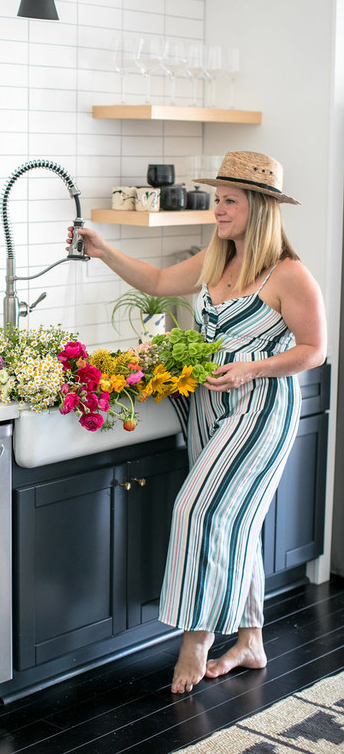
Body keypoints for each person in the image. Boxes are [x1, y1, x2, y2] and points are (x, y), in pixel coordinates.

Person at [67, 150, 327, 695]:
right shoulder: (217, 259)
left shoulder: (290, 274)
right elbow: (160, 281)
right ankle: (252, 641)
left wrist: (251, 367)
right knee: (236, 526)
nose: (218, 210)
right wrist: (104, 249)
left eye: (229, 201)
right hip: (209, 409)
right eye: (217, 199)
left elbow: (315, 350)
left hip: (258, 411)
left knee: (198, 509)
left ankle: (197, 639)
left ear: (260, 207)